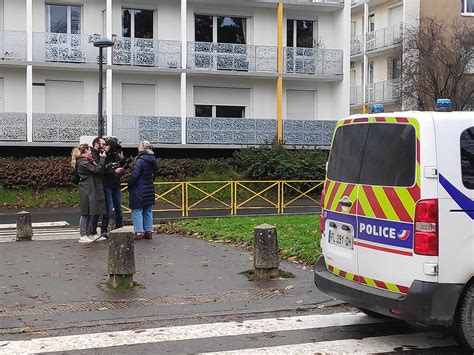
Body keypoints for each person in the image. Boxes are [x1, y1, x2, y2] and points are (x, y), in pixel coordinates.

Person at [71, 144, 106, 243]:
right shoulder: (83, 163)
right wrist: (102, 158)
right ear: (86, 151)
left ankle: (90, 233)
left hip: (90, 189)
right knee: (85, 212)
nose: (91, 153)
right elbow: (98, 170)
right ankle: (83, 234)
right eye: (89, 151)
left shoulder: (86, 162)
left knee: (92, 211)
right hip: (86, 190)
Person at [128, 141, 157, 240]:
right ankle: (148, 232)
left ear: (143, 148)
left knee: (137, 210)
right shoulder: (153, 159)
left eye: (139, 146)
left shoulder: (140, 160)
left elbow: (135, 175)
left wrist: (129, 183)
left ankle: (139, 232)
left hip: (138, 189)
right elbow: (154, 174)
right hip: (149, 188)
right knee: (148, 210)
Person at [100, 137, 126, 237]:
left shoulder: (116, 155)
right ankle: (104, 229)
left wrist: (122, 158)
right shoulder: (104, 156)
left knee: (118, 208)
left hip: (116, 184)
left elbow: (124, 165)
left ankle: (119, 228)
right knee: (109, 209)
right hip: (107, 184)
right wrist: (114, 171)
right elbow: (102, 170)